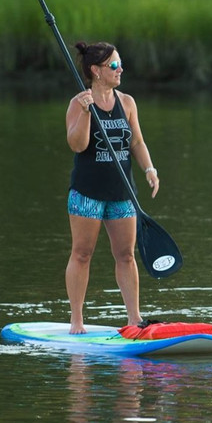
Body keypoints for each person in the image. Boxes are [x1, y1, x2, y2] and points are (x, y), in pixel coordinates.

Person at [64, 41, 160, 334]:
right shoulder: (78, 103)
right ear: (96, 70)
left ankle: (134, 318)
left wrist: (150, 169)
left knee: (127, 255)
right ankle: (77, 320)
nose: (121, 70)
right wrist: (85, 113)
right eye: (114, 65)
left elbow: (137, 142)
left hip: (122, 194)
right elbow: (77, 145)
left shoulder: (127, 102)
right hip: (87, 193)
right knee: (82, 254)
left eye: (120, 64)